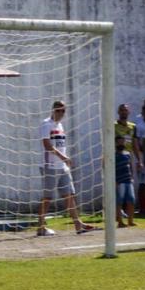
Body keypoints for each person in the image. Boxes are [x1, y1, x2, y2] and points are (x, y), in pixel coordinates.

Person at [36, 100, 96, 236]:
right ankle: (41, 227)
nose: (61, 113)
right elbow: (47, 145)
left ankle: (78, 224)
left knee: (69, 195)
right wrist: (64, 157)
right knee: (47, 198)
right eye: (58, 110)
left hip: (62, 167)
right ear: (53, 110)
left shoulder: (60, 125)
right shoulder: (46, 124)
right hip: (50, 166)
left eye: (63, 111)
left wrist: (64, 161)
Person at [115, 135, 136, 228]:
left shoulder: (127, 154)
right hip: (119, 181)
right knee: (119, 201)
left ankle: (130, 221)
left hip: (128, 181)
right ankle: (120, 222)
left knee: (131, 200)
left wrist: (132, 177)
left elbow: (130, 166)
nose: (121, 144)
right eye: (119, 142)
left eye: (122, 142)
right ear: (116, 143)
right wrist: (115, 181)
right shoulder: (113, 155)